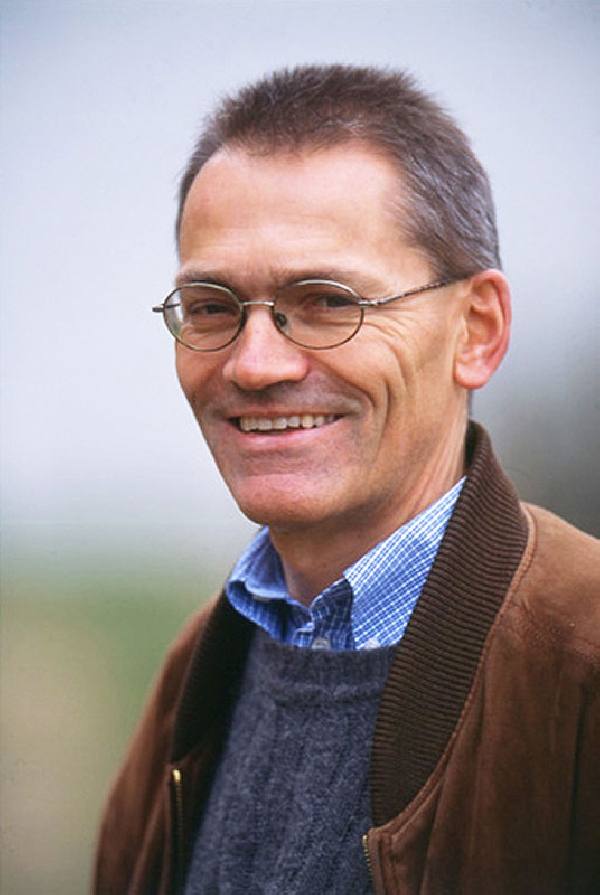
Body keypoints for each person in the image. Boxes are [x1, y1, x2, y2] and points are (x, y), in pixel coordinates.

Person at [94, 65, 599, 894]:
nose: (255, 363)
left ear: (477, 330)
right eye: (214, 305)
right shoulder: (197, 676)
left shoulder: (581, 665)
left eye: (328, 300)